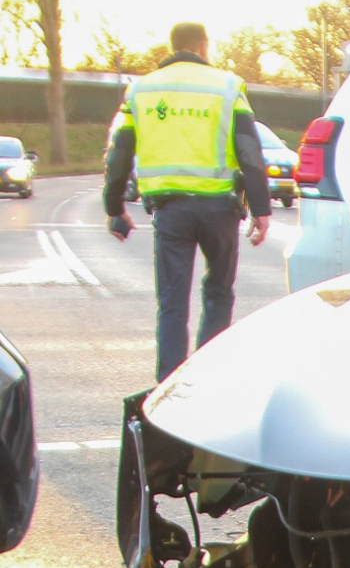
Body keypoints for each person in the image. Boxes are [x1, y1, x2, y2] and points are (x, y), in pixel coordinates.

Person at [102, 22, 274, 380]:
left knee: (172, 303)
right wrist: (261, 209)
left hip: (170, 212)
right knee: (219, 292)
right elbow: (249, 151)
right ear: (203, 46)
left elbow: (120, 152)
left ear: (174, 46)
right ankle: (207, 378)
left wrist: (114, 206)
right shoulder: (227, 86)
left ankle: (168, 386)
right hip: (219, 209)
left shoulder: (142, 89)